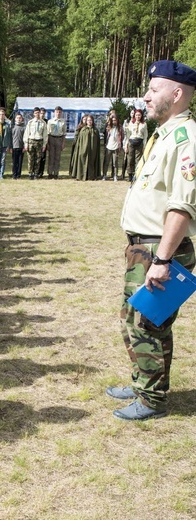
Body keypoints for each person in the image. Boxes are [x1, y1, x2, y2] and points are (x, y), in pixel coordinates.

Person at [109, 60, 196, 421]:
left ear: (177, 94)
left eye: (154, 89)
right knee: (134, 317)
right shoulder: (162, 133)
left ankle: (152, 400)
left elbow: (182, 206)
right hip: (143, 247)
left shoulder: (185, 137)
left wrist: (162, 260)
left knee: (149, 322)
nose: (146, 96)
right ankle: (143, 380)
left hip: (161, 248)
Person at [71, 114, 101, 181]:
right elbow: (79, 140)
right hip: (83, 150)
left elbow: (98, 141)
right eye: (88, 120)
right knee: (82, 161)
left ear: (92, 121)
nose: (89, 121)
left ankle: (91, 176)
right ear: (86, 121)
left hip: (93, 150)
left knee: (92, 162)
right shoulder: (83, 130)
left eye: (90, 120)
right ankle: (81, 175)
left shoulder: (95, 130)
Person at [23, 107, 47, 180]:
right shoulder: (30, 122)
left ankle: (36, 173)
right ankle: (30, 173)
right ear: (33, 114)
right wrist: (26, 143)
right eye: (36, 113)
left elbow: (45, 135)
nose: (37, 114)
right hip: (31, 141)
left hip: (39, 141)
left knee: (38, 159)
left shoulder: (43, 123)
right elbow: (26, 133)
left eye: (38, 113)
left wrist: (44, 145)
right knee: (30, 159)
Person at [124, 109, 148, 182]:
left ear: (141, 116)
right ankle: (130, 174)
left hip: (139, 142)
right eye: (136, 115)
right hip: (131, 141)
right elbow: (128, 135)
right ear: (134, 115)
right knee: (130, 159)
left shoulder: (144, 124)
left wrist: (144, 145)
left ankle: (137, 174)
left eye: (139, 115)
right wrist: (126, 145)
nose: (138, 116)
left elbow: (145, 136)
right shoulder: (131, 123)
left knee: (138, 159)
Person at [46, 106, 67, 179]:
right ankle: (50, 173)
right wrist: (47, 143)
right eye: (57, 112)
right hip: (51, 138)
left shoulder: (63, 122)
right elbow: (48, 133)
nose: (58, 113)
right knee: (51, 157)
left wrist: (63, 143)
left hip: (59, 139)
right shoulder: (50, 121)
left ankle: (56, 173)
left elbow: (64, 133)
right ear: (54, 112)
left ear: (61, 113)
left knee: (57, 157)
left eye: (60, 112)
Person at [102, 114, 123, 181]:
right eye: (113, 120)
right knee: (106, 162)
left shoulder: (120, 127)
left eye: (115, 120)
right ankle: (104, 175)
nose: (114, 121)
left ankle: (115, 175)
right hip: (109, 146)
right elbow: (105, 136)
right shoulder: (108, 127)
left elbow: (122, 136)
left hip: (116, 147)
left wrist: (120, 144)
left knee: (115, 162)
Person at [11, 113, 26, 179]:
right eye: (17, 118)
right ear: (15, 119)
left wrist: (25, 146)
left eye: (20, 118)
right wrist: (10, 147)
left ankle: (18, 174)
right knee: (14, 162)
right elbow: (10, 138)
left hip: (21, 147)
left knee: (20, 162)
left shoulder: (24, 128)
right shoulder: (13, 127)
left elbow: (25, 138)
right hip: (14, 147)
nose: (18, 119)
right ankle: (14, 174)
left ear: (22, 119)